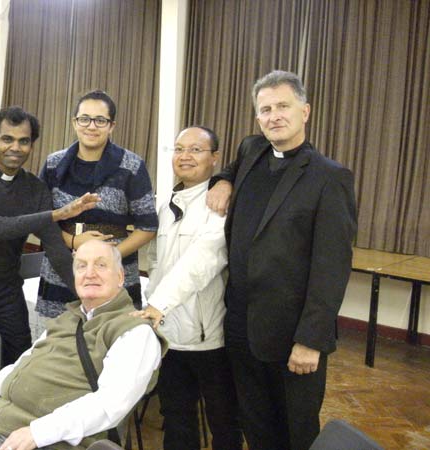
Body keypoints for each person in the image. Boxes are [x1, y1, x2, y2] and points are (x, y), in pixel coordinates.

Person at [207, 70, 357, 450]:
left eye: (283, 107)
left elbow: (332, 268)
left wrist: (311, 340)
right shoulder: (251, 150)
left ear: (304, 111)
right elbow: (231, 168)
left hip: (292, 334)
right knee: (255, 424)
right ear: (258, 117)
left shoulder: (330, 177)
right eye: (266, 109)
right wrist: (221, 180)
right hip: (240, 325)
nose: (274, 116)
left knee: (296, 430)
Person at [0, 240, 166, 450]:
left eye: (101, 265)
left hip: (45, 442)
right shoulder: (67, 318)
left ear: (120, 276)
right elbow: (16, 368)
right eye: (81, 266)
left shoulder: (134, 332)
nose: (90, 273)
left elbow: (110, 404)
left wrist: (37, 433)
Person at [0, 106, 100, 365]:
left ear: (31, 146)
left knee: (19, 362)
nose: (15, 147)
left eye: (23, 141)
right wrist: (56, 214)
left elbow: (56, 250)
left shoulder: (35, 189)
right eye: (7, 139)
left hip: (6, 289)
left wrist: (87, 295)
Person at [135, 126, 242, 450]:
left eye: (196, 150)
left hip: (208, 337)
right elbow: (155, 260)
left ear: (215, 158)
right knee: (176, 418)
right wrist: (155, 305)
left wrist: (159, 302)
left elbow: (203, 261)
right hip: (168, 334)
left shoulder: (220, 204)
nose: (185, 156)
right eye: (179, 149)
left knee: (223, 420)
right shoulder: (166, 204)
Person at [37, 90, 157, 327]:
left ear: (112, 126)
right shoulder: (53, 164)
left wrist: (106, 259)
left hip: (113, 270)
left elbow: (148, 226)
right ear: (75, 122)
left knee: (113, 337)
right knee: (58, 339)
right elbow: (40, 220)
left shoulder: (131, 165)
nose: (91, 126)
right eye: (85, 119)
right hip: (61, 266)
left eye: (100, 120)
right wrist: (73, 241)